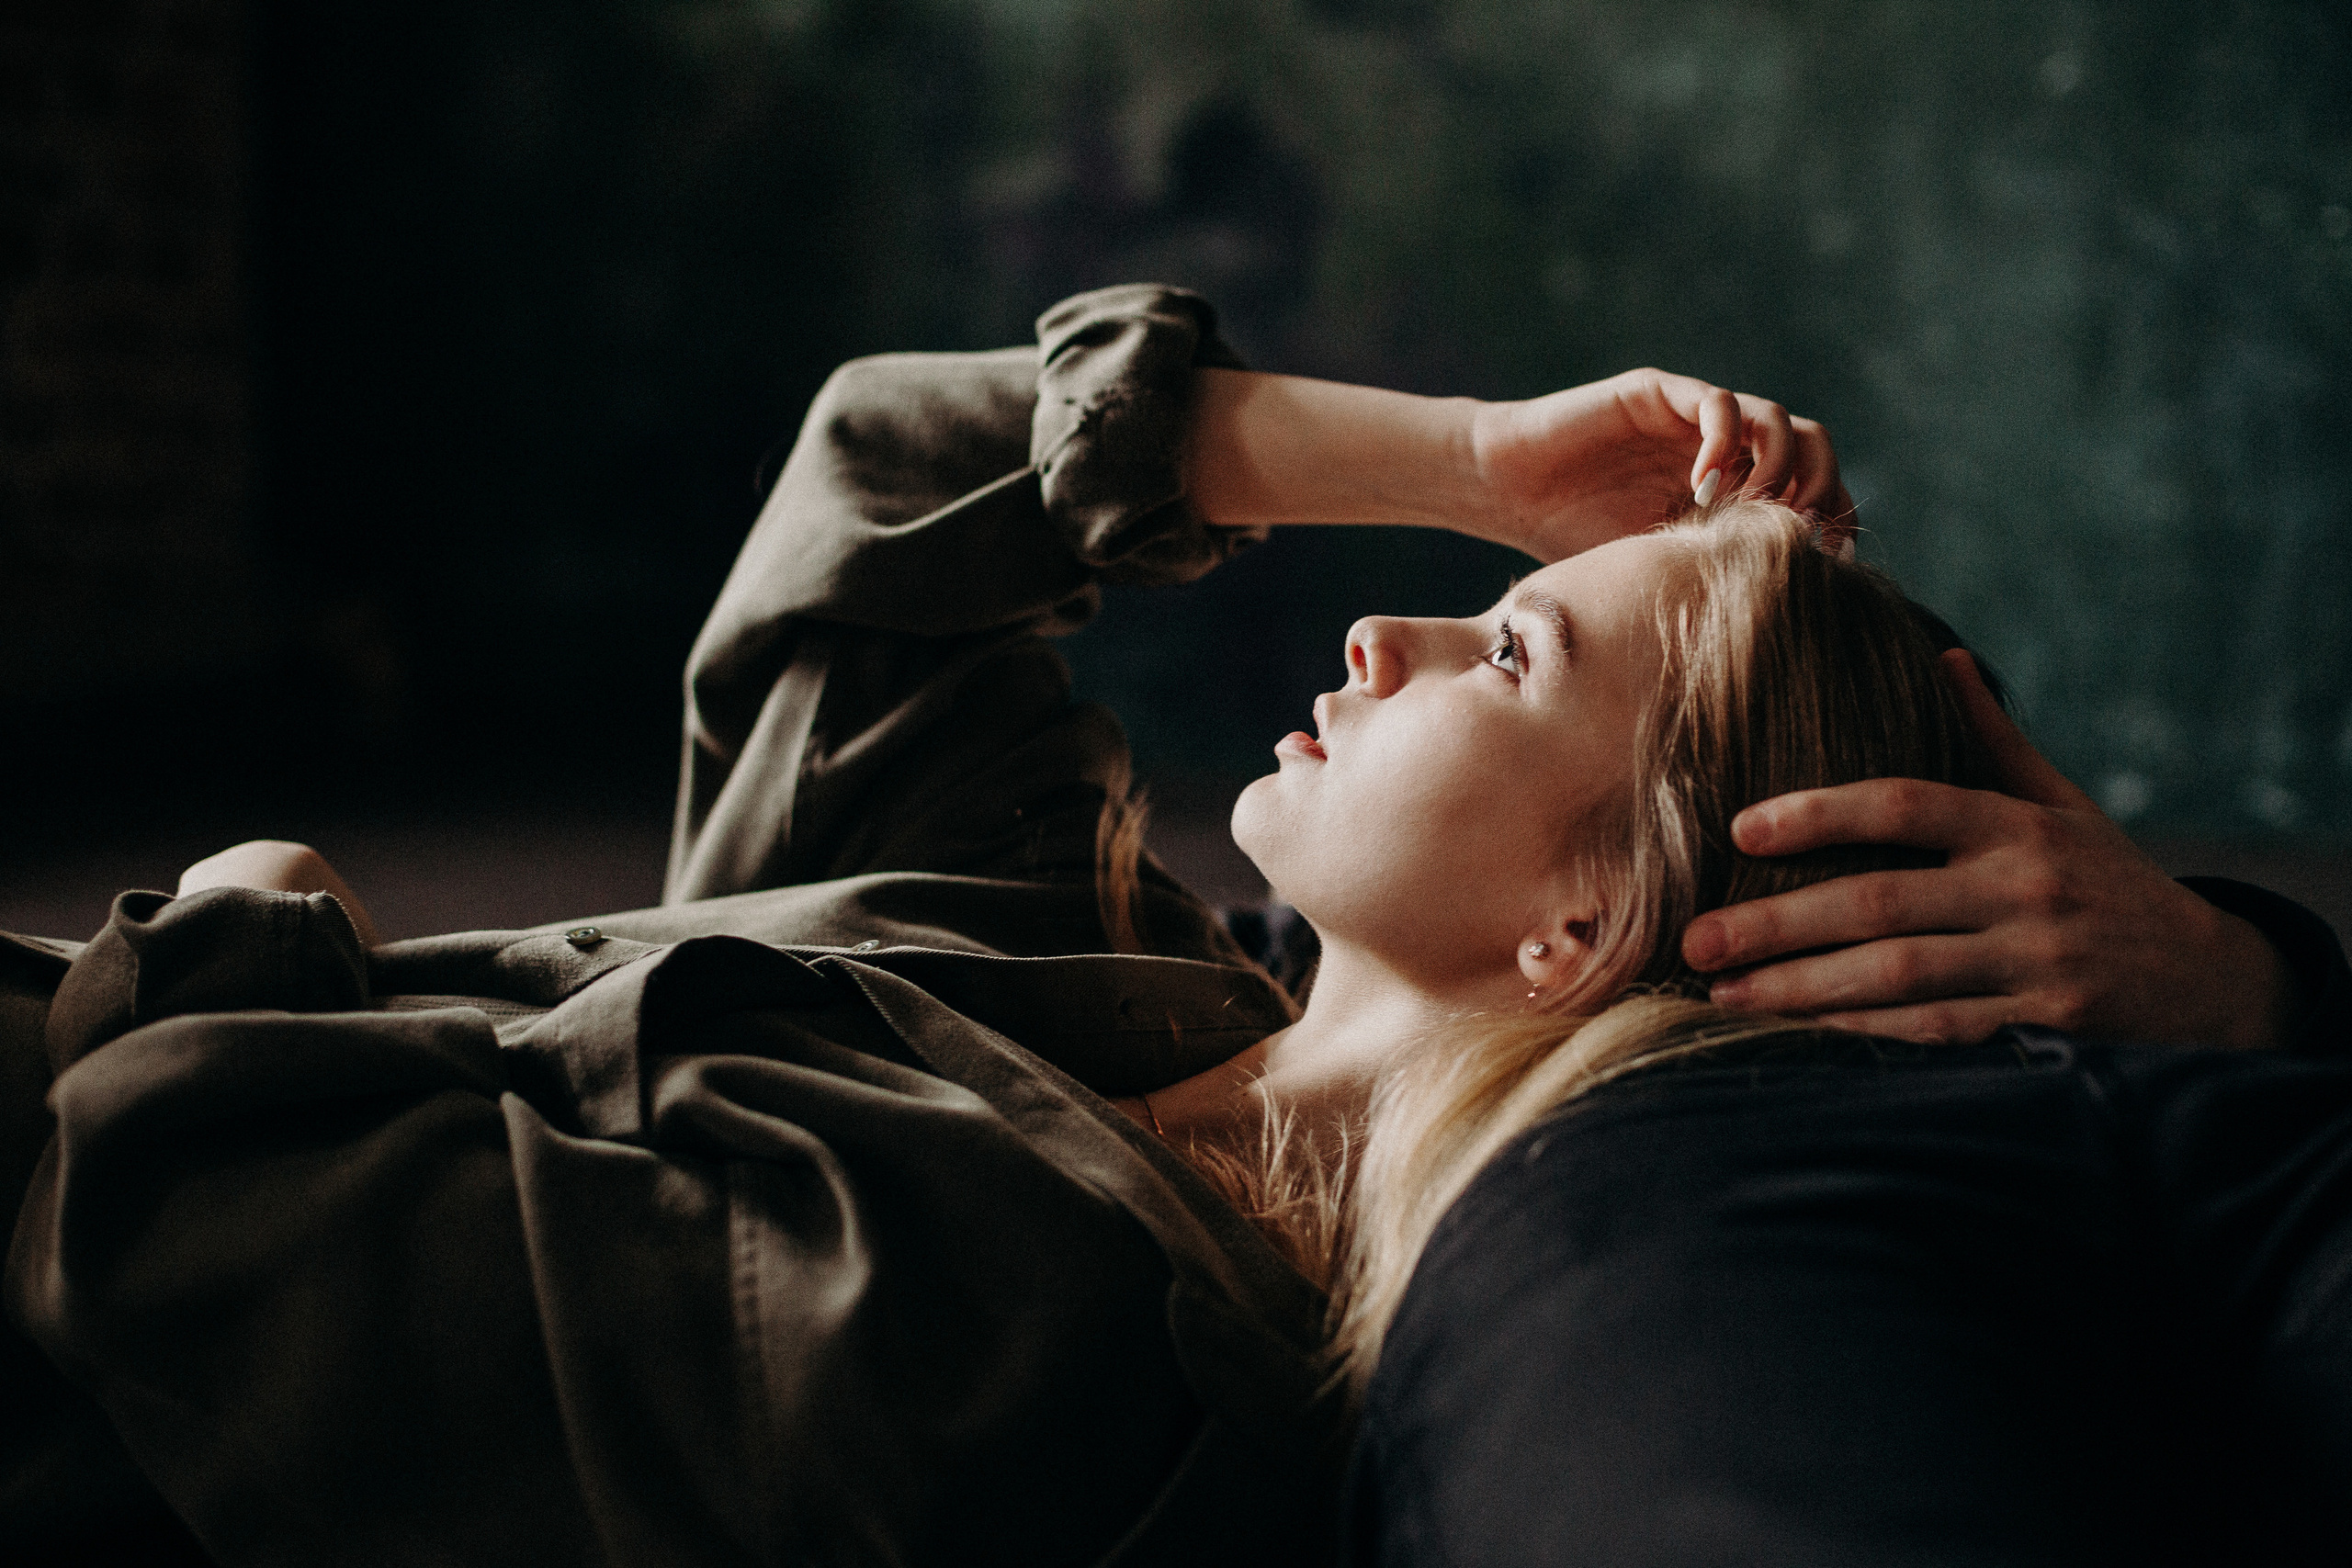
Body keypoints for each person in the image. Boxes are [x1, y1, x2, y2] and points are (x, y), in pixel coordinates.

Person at [1, 285, 2338, 1566]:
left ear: (1581, 924)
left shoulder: (1051, 1334)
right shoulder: (1110, 959)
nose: (1385, 631)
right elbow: (881, 479)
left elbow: (192, 1213)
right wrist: (1474, 458)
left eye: (1506, 648)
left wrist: (250, 916)